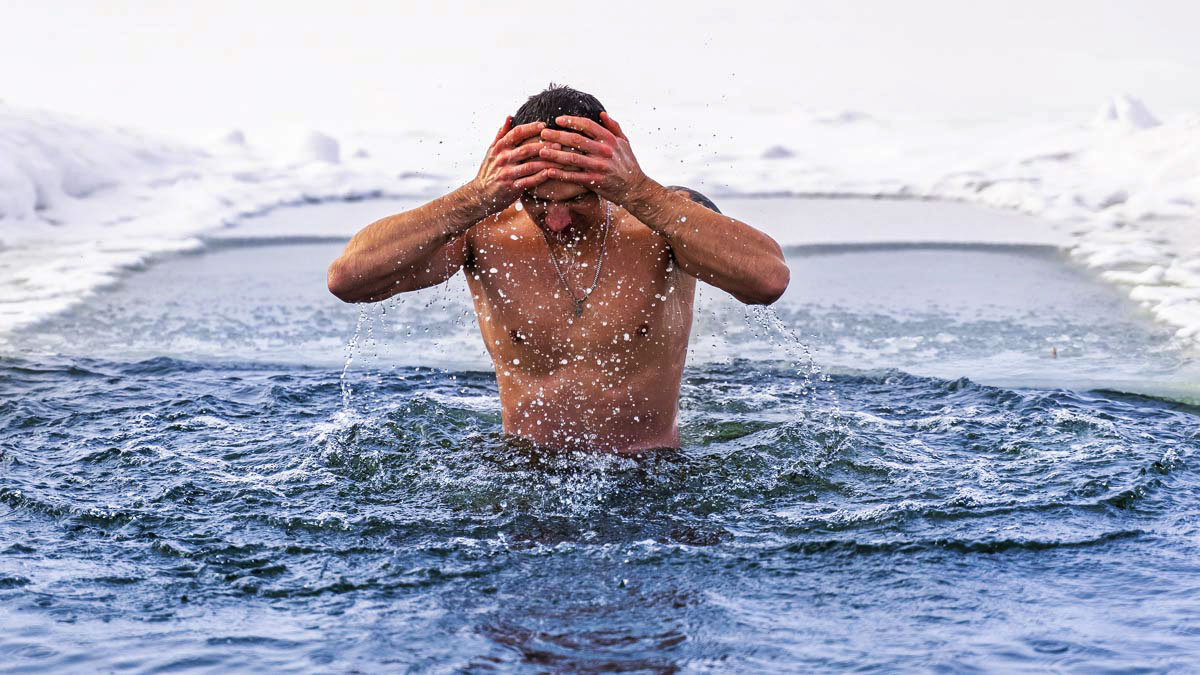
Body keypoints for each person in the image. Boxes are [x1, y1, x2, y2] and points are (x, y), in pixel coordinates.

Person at [327, 84, 789, 452]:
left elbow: (768, 280)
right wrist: (475, 196)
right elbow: (348, 279)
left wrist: (640, 191)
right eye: (537, 200)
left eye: (577, 199)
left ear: (613, 166)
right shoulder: (483, 231)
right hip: (522, 469)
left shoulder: (665, 221)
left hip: (650, 471)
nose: (557, 219)